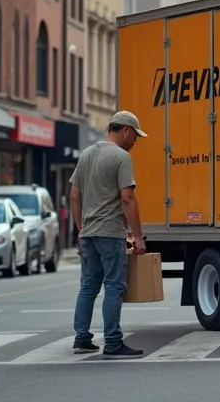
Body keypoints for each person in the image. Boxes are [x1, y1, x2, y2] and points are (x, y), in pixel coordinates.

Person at [69, 110, 148, 359]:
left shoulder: (87, 154)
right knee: (114, 286)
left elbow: (74, 195)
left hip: (89, 232)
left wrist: (81, 230)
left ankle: (82, 338)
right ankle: (113, 342)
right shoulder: (121, 157)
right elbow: (127, 198)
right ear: (125, 131)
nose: (135, 142)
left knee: (88, 287)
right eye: (135, 136)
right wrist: (138, 236)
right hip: (110, 232)